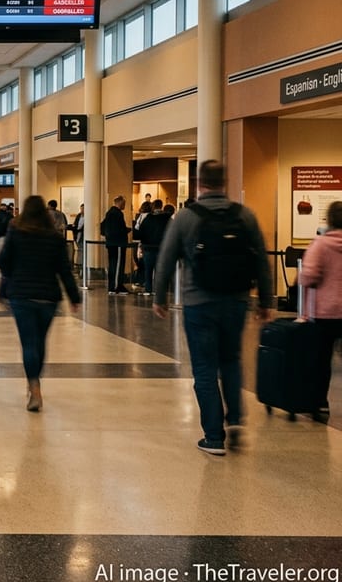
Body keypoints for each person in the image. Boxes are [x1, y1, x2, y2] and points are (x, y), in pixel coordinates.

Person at [152, 160, 273, 456]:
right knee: (231, 361)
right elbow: (261, 259)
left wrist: (160, 297)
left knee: (205, 368)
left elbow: (166, 258)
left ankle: (213, 436)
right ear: (224, 182)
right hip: (236, 300)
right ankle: (235, 420)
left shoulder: (185, 217)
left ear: (198, 183)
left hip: (198, 303)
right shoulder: (244, 215)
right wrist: (266, 301)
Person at [0, 196, 82, 412]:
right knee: (40, 342)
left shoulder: (16, 232)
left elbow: (4, 262)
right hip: (47, 297)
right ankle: (35, 382)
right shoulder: (53, 236)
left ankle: (33, 384)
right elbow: (64, 268)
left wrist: (8, 281)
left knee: (28, 342)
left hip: (22, 296)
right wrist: (74, 296)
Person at [299, 200, 342, 424]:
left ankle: (319, 403)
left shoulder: (321, 244)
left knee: (321, 361)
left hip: (325, 312)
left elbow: (308, 276)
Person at [136, 203, 172, 296]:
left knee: (148, 270)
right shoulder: (166, 219)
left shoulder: (147, 218)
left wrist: (143, 244)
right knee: (159, 270)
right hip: (161, 247)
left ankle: (148, 289)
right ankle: (158, 290)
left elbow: (140, 232)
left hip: (148, 247)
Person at [100, 195, 130, 295]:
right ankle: (117, 286)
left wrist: (107, 235)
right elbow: (119, 229)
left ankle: (112, 286)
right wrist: (127, 230)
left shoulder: (109, 213)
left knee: (112, 264)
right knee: (118, 264)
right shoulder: (117, 214)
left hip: (111, 243)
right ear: (120, 202)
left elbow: (102, 226)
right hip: (118, 243)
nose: (124, 205)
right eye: (124, 203)